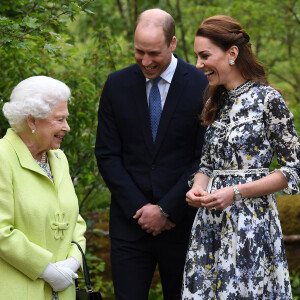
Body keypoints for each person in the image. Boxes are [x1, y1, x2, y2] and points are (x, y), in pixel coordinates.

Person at [181, 15, 300, 299]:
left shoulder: (268, 99)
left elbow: (294, 169)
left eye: (205, 55)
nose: (198, 64)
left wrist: (236, 192)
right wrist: (197, 187)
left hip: (251, 225)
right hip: (210, 226)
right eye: (197, 56)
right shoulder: (214, 101)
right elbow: (207, 165)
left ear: (232, 53)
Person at [95, 8, 208, 300]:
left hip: (184, 223)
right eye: (139, 51)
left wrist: (167, 209)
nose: (145, 61)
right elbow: (107, 155)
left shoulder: (202, 84)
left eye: (154, 53)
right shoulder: (116, 85)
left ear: (172, 43)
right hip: (130, 224)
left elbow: (204, 157)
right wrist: (143, 210)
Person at [0, 76, 86, 300]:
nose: (67, 127)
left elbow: (75, 220)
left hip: (63, 290)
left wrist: (73, 262)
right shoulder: (2, 158)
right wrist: (46, 270)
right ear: (32, 121)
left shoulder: (58, 158)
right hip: (18, 291)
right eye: (59, 120)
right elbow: (1, 231)